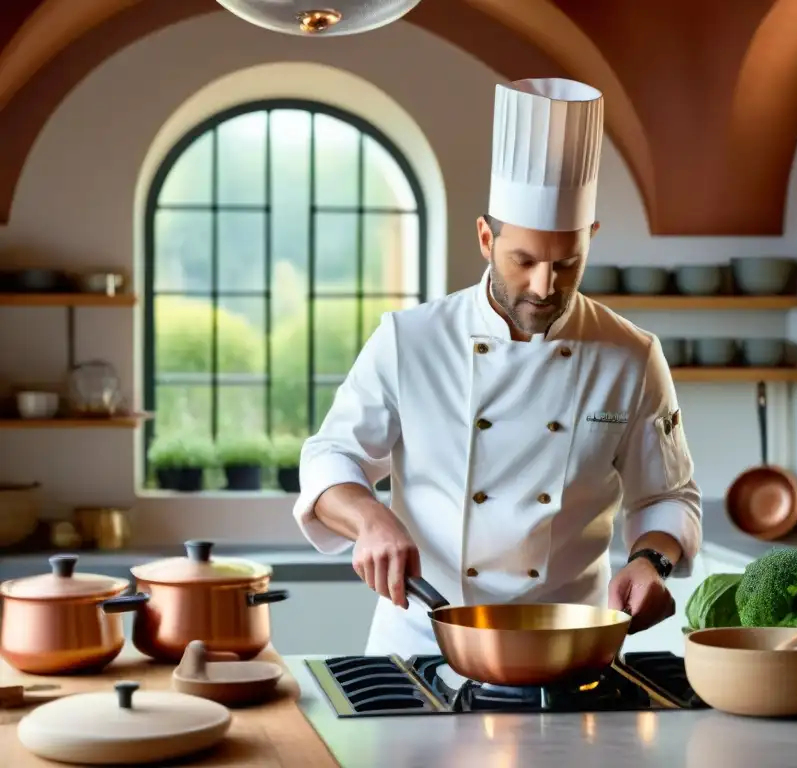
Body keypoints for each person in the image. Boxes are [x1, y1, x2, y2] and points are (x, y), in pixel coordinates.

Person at [293, 77, 702, 659]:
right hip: (420, 641)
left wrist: (651, 560)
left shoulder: (630, 354)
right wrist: (368, 519)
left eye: (567, 263)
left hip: (568, 645)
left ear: (590, 238)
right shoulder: (410, 341)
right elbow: (329, 457)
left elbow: (669, 495)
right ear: (486, 238)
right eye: (524, 260)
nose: (544, 286)